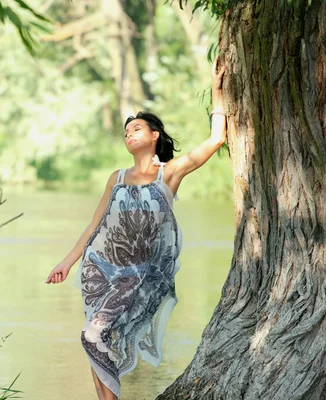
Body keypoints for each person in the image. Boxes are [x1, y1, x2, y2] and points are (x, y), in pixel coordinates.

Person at [45, 58, 227, 400]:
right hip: (97, 269)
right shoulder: (116, 177)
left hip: (136, 274)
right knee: (96, 340)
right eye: (127, 132)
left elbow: (216, 140)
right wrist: (67, 262)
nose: (130, 134)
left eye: (137, 129)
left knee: (91, 336)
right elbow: (95, 224)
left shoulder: (168, 174)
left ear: (155, 136)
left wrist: (217, 91)